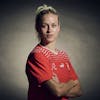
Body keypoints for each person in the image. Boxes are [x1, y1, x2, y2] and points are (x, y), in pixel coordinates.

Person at [26, 4, 82, 100]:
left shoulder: (63, 55)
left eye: (53, 25)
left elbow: (79, 91)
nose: (49, 30)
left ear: (59, 28)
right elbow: (57, 92)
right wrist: (72, 83)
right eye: (44, 26)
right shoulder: (37, 55)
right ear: (37, 28)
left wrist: (60, 86)